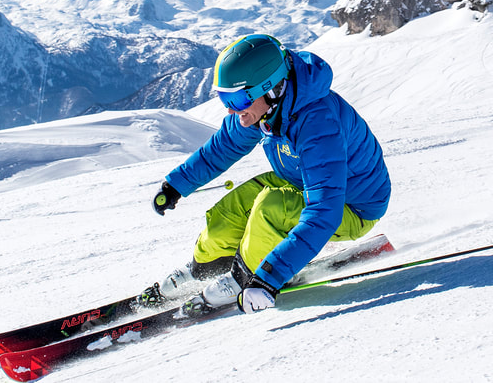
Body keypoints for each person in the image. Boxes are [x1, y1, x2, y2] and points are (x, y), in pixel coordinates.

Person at [144, 34, 391, 315]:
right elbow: (223, 146)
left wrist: (269, 278)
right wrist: (176, 185)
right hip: (300, 181)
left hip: (352, 206)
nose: (229, 108)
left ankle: (242, 279)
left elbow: (325, 211)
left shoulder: (319, 125)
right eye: (224, 97)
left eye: (236, 99)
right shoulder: (263, 110)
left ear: (271, 89)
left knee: (271, 208)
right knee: (232, 209)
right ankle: (202, 270)